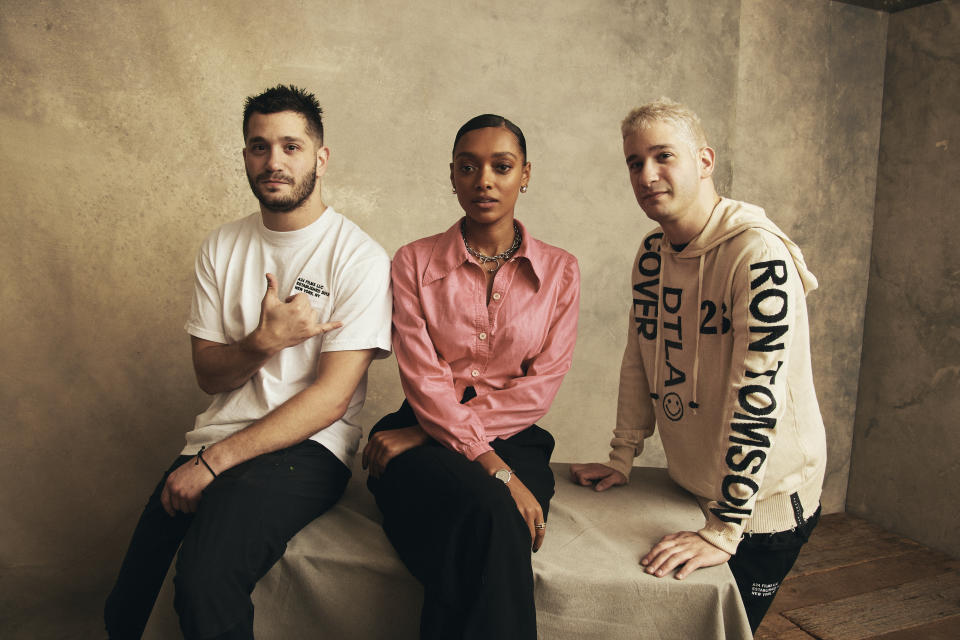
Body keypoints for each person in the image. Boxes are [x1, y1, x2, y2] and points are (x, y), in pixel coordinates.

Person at [104, 84, 392, 639]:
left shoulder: (358, 257)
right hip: (216, 438)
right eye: (259, 147)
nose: (274, 161)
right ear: (244, 158)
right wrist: (263, 342)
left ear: (320, 157)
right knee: (127, 607)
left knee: (204, 580)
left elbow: (332, 399)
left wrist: (214, 464)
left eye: (291, 146)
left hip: (308, 450)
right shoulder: (221, 246)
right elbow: (209, 374)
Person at [570, 98, 826, 633]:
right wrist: (622, 457)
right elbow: (640, 356)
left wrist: (725, 529)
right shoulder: (650, 254)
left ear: (704, 160)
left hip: (765, 507)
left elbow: (757, 396)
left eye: (664, 156)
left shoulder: (759, 256)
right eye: (634, 162)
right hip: (696, 489)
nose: (647, 175)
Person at [361, 114, 580, 640]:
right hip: (415, 439)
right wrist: (489, 465)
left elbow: (539, 387)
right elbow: (422, 375)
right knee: (495, 513)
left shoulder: (561, 271)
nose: (484, 179)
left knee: (478, 534)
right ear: (453, 176)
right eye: (468, 167)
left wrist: (440, 437)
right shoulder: (412, 261)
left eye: (501, 167)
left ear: (524, 175)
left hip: (510, 438)